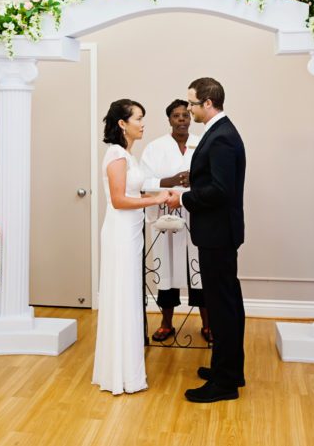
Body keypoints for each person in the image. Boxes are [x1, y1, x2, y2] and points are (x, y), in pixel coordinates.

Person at [166, 77, 246, 403]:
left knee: (223, 306)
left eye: (192, 104)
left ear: (208, 104)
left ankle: (225, 383)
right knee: (225, 303)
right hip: (217, 233)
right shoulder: (219, 132)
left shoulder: (222, 137)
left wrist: (183, 199)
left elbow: (221, 191)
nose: (189, 109)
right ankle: (229, 369)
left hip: (218, 235)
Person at [91, 99, 170, 395]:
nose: (143, 123)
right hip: (120, 233)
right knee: (123, 296)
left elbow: (133, 190)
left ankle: (126, 370)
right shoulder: (115, 154)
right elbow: (119, 200)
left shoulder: (127, 155)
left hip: (132, 232)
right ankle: (120, 374)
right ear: (123, 123)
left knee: (129, 296)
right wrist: (157, 199)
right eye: (139, 118)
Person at [140, 98, 210, 343]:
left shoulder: (201, 144)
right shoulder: (155, 147)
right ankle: (166, 323)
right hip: (165, 217)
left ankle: (207, 324)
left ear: (191, 118)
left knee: (198, 268)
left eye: (185, 115)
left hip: (194, 213)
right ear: (169, 119)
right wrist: (171, 181)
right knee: (165, 268)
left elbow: (213, 179)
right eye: (176, 116)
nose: (181, 119)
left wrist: (194, 182)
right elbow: (142, 183)